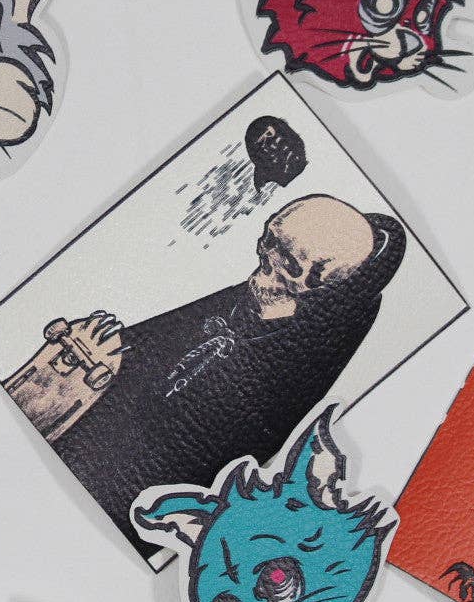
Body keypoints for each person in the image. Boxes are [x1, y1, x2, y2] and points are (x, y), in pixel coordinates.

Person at [47, 195, 406, 556]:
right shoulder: (243, 301)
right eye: (269, 241)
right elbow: (161, 341)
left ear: (318, 284)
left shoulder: (291, 367)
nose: (266, 259)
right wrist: (112, 346)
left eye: (290, 264)